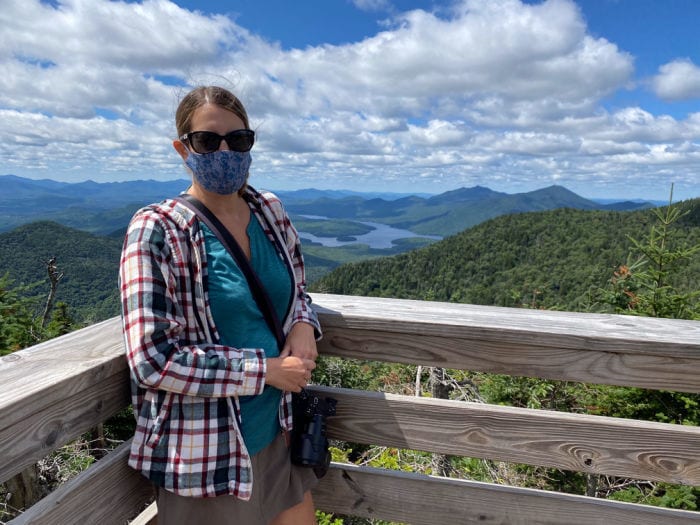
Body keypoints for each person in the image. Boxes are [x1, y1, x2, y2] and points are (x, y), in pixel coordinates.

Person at [119, 85, 322, 524]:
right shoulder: (157, 229)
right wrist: (264, 371)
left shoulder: (269, 211)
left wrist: (304, 325)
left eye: (239, 140)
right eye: (208, 141)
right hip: (207, 456)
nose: (225, 152)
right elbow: (152, 360)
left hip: (279, 434)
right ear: (182, 148)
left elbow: (298, 293)